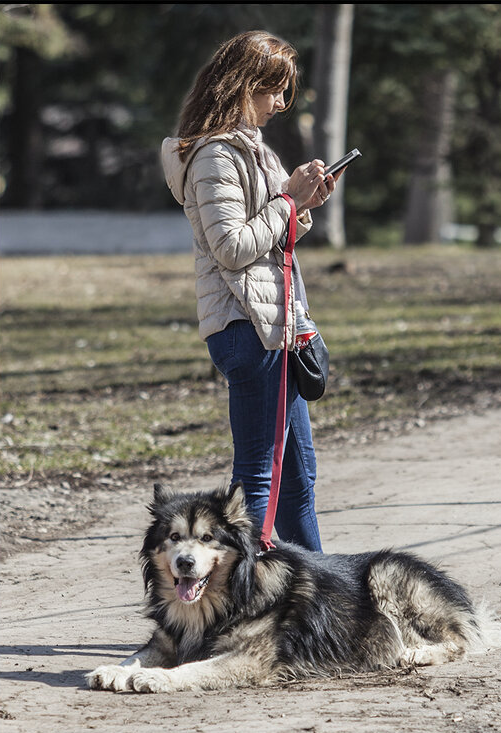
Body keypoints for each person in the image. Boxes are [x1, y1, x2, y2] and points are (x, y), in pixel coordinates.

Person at [161, 30, 343, 552]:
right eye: (274, 90)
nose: (280, 104)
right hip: (247, 328)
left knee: (299, 482)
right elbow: (232, 247)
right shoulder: (216, 156)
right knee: (259, 482)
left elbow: (270, 238)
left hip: (275, 327)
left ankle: (319, 602)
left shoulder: (252, 151)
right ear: (243, 86)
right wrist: (288, 201)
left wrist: (302, 205)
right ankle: (243, 605)